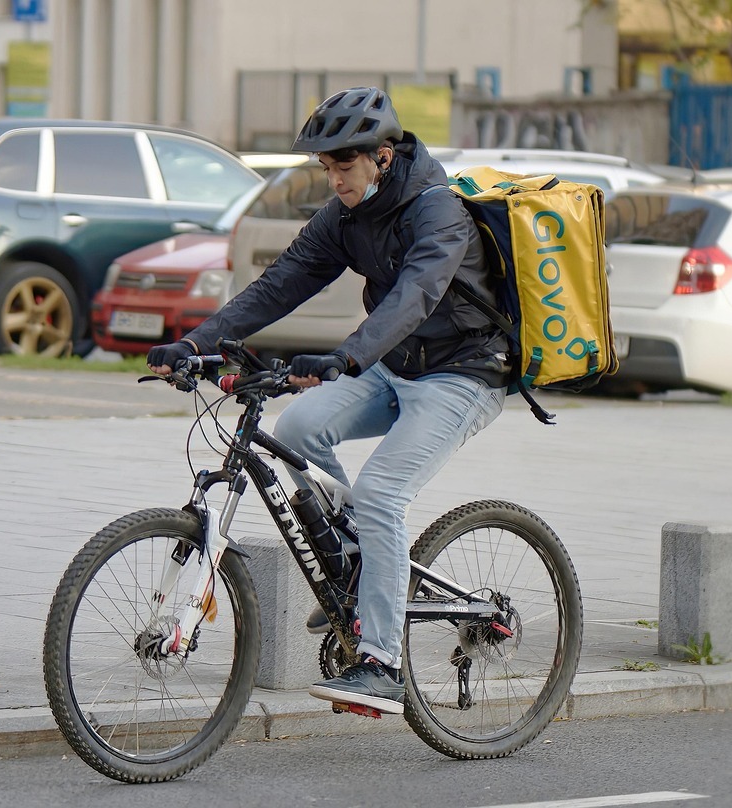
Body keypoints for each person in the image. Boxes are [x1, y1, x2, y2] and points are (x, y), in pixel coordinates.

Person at [146, 87, 511, 714]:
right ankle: (357, 565)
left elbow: (414, 297)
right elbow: (281, 283)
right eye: (327, 168)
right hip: (392, 367)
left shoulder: (438, 212)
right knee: (298, 430)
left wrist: (346, 356)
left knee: (380, 495)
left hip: (462, 375)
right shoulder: (345, 216)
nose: (334, 179)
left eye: (344, 166)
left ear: (384, 157)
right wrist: (196, 342)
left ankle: (383, 663)